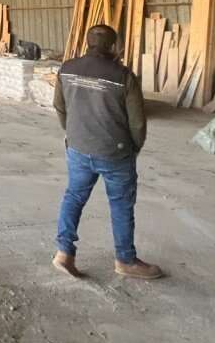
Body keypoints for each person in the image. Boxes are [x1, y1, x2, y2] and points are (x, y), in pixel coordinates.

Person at [52, 24, 163, 280]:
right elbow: (137, 122)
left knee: (74, 197)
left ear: (87, 43)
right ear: (114, 47)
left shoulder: (67, 69)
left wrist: (73, 134)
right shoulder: (123, 75)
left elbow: (59, 107)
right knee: (121, 205)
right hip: (115, 152)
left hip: (78, 149)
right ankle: (125, 260)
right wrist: (134, 147)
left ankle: (64, 253)